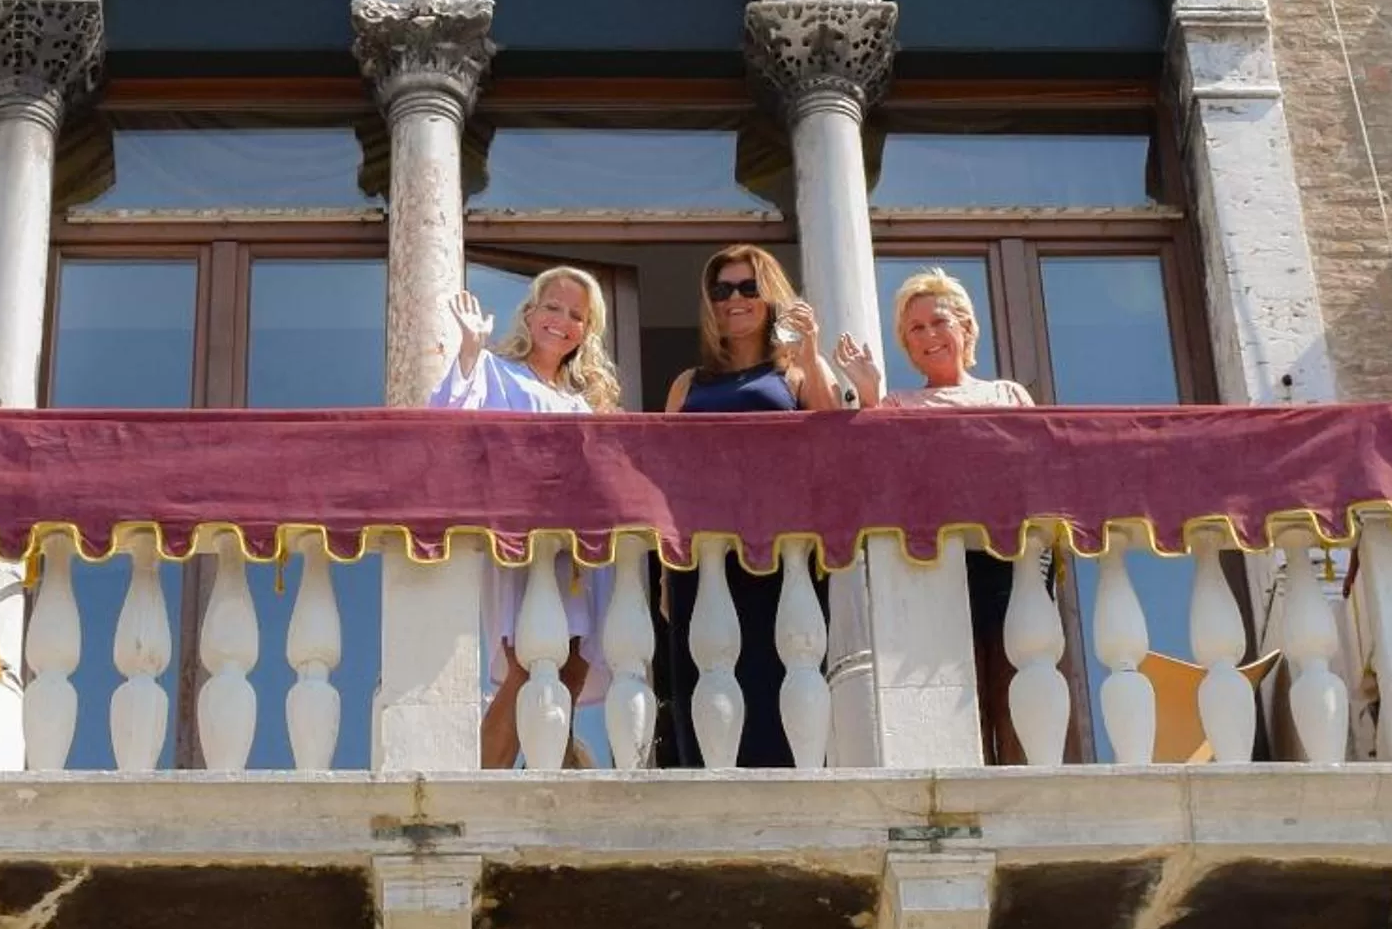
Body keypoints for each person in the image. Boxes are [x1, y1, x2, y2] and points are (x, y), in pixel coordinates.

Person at [837, 269, 1044, 764]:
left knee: (1018, 694)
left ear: (967, 328)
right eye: (915, 329)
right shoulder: (898, 405)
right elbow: (879, 474)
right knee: (953, 698)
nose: (928, 335)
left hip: (1008, 560)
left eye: (938, 321)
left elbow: (1036, 474)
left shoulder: (1007, 395)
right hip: (929, 568)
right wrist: (868, 396)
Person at [661, 245, 848, 767]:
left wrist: (809, 353)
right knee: (705, 680)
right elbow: (668, 477)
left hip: (778, 552)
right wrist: (663, 575)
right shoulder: (687, 383)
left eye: (748, 287)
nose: (734, 300)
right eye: (721, 291)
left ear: (771, 298)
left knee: (777, 677)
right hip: (701, 555)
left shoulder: (793, 375)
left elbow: (835, 440)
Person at [430, 267, 620, 769]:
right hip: (523, 545)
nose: (562, 321)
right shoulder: (496, 372)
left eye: (576, 315)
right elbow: (450, 420)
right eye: (553, 307)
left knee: (573, 667)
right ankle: (481, 789)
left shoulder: (583, 401)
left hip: (578, 552)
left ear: (587, 331)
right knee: (527, 664)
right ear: (530, 312)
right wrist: (470, 349)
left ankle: (549, 780)